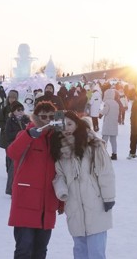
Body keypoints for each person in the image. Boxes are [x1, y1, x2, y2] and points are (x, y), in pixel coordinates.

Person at [53, 110, 116, 259]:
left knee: (96, 252)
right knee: (80, 250)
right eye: (63, 125)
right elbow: (58, 175)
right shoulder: (59, 151)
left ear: (77, 124)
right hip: (74, 206)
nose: (67, 128)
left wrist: (108, 198)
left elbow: (105, 171)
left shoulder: (93, 144)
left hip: (95, 204)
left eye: (70, 124)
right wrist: (62, 190)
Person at [7, 102, 64, 259]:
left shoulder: (56, 140)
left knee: (40, 251)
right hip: (26, 201)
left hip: (47, 203)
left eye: (51, 117)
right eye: (43, 116)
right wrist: (28, 135)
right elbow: (12, 153)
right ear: (36, 117)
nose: (47, 120)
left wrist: (61, 201)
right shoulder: (26, 134)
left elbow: (61, 173)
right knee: (24, 250)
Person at [0, 101, 29, 195]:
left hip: (25, 146)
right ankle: (10, 189)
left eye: (22, 109)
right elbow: (8, 134)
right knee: (13, 167)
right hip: (14, 145)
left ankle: (23, 188)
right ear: (13, 111)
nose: (20, 111)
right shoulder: (10, 120)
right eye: (18, 110)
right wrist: (20, 133)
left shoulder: (26, 119)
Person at [99, 89, 121, 160]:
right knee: (113, 140)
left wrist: (100, 112)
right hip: (114, 123)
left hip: (108, 124)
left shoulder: (107, 102)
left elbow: (105, 111)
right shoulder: (116, 103)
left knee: (104, 139)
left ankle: (102, 154)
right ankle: (114, 154)